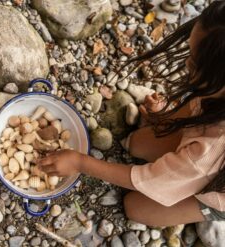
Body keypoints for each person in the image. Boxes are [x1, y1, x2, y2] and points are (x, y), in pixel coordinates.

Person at [37, 1, 225, 226]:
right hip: (210, 129)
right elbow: (200, 104)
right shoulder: (216, 93)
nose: (185, 63)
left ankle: (203, 206)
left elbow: (153, 179)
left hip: (217, 187)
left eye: (194, 65)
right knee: (136, 143)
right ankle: (180, 144)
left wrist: (80, 163)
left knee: (135, 207)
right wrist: (165, 118)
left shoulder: (206, 156)